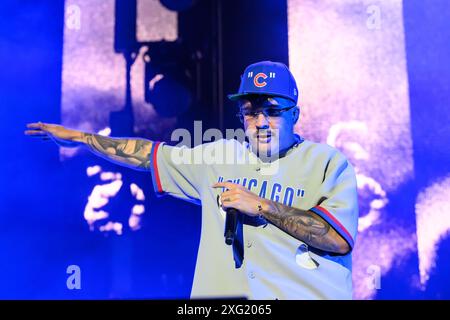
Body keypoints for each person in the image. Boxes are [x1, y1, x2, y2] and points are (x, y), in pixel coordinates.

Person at [25, 61, 358, 299]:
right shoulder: (219, 156)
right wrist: (82, 139)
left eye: (272, 111)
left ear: (295, 115)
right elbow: (146, 153)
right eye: (251, 112)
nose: (261, 122)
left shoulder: (328, 163)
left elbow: (337, 239)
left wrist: (260, 205)